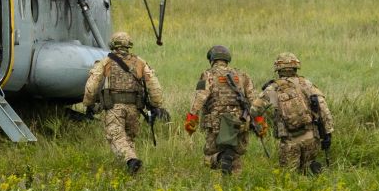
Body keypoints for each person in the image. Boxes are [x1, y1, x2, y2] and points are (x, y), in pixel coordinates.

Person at [83, 31, 165, 175]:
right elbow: (154, 85)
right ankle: (132, 171)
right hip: (134, 109)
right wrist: (156, 105)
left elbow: (92, 85)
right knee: (128, 138)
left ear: (113, 45)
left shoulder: (107, 61)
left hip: (115, 108)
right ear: (129, 45)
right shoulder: (140, 62)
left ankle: (131, 161)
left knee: (115, 136)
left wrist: (89, 103)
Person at [252, 52, 332, 173]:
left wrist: (260, 125)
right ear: (296, 67)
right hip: (311, 138)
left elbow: (254, 110)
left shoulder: (273, 88)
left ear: (278, 69)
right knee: (309, 172)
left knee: (288, 177)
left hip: (289, 141)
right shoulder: (306, 83)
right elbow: (323, 108)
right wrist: (327, 133)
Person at [185, 45, 259, 175]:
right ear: (227, 59)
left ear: (212, 59)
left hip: (216, 123)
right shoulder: (242, 75)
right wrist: (259, 121)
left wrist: (192, 117)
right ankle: (233, 186)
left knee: (209, 157)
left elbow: (200, 97)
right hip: (239, 122)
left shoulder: (207, 75)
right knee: (235, 156)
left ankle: (220, 157)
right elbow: (254, 101)